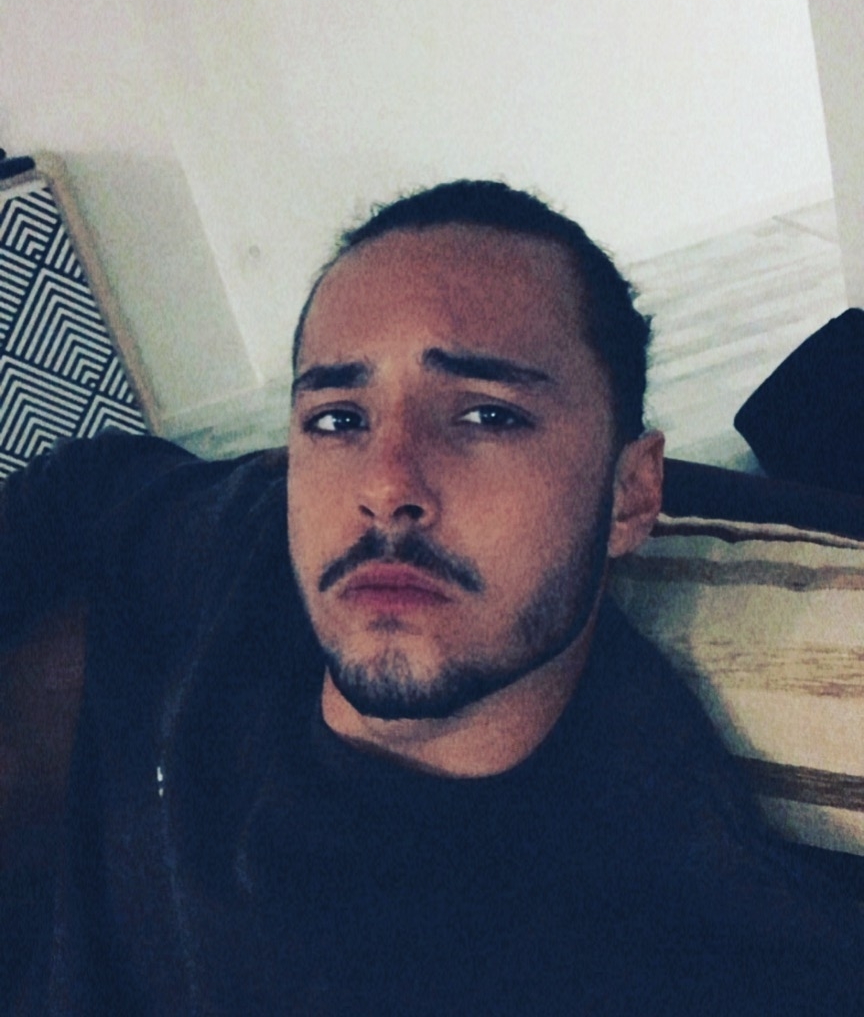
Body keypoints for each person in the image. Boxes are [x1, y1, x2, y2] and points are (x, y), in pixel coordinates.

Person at [2, 180, 862, 1014]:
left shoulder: (686, 947)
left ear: (632, 494)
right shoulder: (242, 544)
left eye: (486, 415)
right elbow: (88, 483)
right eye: (340, 418)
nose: (385, 487)